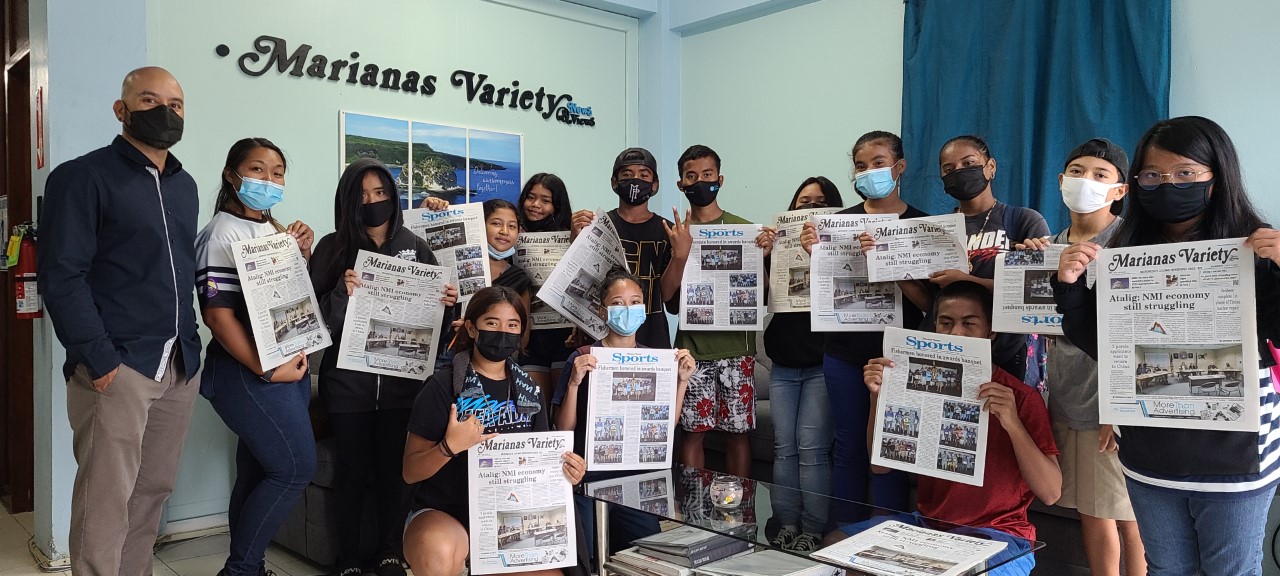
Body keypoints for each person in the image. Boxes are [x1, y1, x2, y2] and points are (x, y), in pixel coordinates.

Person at [1053, 116, 1280, 575]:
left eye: (1184, 174)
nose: (1167, 185)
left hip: (1234, 454)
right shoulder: (1126, 251)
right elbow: (1104, 345)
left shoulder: (1252, 248)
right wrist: (1071, 286)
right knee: (1165, 570)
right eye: (1153, 176)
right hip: (1148, 452)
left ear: (1217, 177)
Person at [38, 66, 200, 576]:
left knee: (152, 492)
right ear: (121, 108)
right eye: (149, 100)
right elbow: (62, 277)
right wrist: (100, 357)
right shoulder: (82, 177)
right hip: (118, 368)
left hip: (177, 365)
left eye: (175, 104)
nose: (164, 111)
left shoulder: (185, 185)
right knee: (105, 501)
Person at [309, 159, 458, 576]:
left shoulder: (416, 246)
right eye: (360, 195)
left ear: (393, 196)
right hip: (348, 388)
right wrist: (341, 292)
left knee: (396, 474)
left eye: (380, 193)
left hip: (402, 389)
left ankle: (391, 550)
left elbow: (436, 332)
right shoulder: (330, 248)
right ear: (346, 200)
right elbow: (314, 324)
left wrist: (446, 306)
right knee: (352, 473)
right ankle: (350, 559)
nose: (371, 202)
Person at [856, 281, 1061, 576]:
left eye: (969, 324)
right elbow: (880, 467)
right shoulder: (920, 385)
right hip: (928, 527)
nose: (956, 334)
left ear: (990, 332)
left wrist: (1013, 424)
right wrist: (878, 396)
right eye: (946, 323)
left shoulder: (1021, 398)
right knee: (836, 549)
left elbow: (1052, 492)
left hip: (1002, 535)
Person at [1016, 139, 1144, 576]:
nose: (1084, 181)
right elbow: (1030, 320)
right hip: (1062, 395)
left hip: (1109, 399)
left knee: (1127, 515)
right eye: (1076, 171)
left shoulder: (1130, 243)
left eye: (1099, 174)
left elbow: (1138, 330)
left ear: (1120, 191)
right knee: (1093, 510)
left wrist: (1119, 405)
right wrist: (1026, 267)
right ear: (1060, 181)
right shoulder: (1050, 243)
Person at [401, 286, 588, 576]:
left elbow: (542, 463)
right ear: (473, 329)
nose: (503, 332)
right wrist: (448, 447)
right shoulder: (442, 386)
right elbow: (410, 471)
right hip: (445, 511)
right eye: (492, 323)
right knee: (438, 552)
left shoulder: (530, 390)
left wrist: (568, 472)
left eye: (512, 325)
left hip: (509, 514)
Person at [194, 138, 317, 576]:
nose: (269, 180)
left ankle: (250, 565)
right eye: (258, 170)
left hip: (288, 366)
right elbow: (218, 316)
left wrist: (300, 253)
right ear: (232, 175)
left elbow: (285, 300)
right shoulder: (221, 233)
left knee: (257, 468)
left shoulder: (270, 231)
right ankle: (241, 570)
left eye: (278, 172)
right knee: (295, 468)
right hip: (252, 372)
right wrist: (267, 369)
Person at [797, 132, 931, 520]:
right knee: (848, 446)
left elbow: (927, 305)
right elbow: (822, 296)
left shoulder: (919, 224)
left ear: (899, 167)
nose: (869, 171)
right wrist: (814, 255)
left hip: (896, 356)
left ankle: (889, 535)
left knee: (890, 449)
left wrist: (889, 264)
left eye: (878, 163)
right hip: (842, 353)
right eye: (860, 165)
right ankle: (844, 534)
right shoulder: (836, 223)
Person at [552, 266, 695, 564]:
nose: (627, 309)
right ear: (603, 311)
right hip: (587, 477)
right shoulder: (582, 357)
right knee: (586, 558)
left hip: (638, 479)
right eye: (617, 303)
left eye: (634, 302)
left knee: (647, 558)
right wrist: (576, 383)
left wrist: (681, 381)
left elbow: (666, 424)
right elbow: (563, 428)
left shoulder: (655, 359)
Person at [756, 176, 844, 550]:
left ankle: (813, 529)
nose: (809, 207)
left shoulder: (841, 245)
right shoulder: (778, 247)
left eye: (819, 202)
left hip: (822, 363)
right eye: (802, 201)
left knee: (811, 448)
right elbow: (759, 299)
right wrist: (762, 257)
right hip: (784, 364)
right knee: (783, 447)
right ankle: (786, 523)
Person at [670, 144, 757, 478]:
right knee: (692, 432)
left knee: (738, 435)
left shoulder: (746, 229)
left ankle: (742, 513)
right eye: (691, 176)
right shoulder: (677, 233)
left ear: (720, 179)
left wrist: (764, 255)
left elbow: (759, 293)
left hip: (738, 348)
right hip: (693, 348)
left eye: (707, 175)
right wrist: (679, 254)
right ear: (681, 184)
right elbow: (668, 300)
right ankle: (692, 512)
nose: (700, 182)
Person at [933, 135, 1050, 382]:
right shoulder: (937, 230)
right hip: (952, 353)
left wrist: (966, 281)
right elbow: (930, 304)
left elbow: (1036, 298)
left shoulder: (1024, 220)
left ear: (991, 167)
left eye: (969, 163)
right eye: (949, 169)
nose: (959, 172)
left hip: (1009, 354)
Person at [570, 147, 693, 349]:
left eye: (643, 175)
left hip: (653, 335)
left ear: (655, 185)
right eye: (627, 175)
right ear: (614, 182)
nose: (635, 180)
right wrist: (575, 239)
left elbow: (665, 294)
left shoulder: (668, 231)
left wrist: (680, 257)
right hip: (602, 336)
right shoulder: (597, 225)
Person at [516, 174, 576, 399]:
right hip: (530, 337)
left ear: (557, 205)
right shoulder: (513, 233)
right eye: (531, 197)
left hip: (564, 336)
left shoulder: (572, 236)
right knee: (534, 407)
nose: (536, 205)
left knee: (562, 405)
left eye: (545, 200)